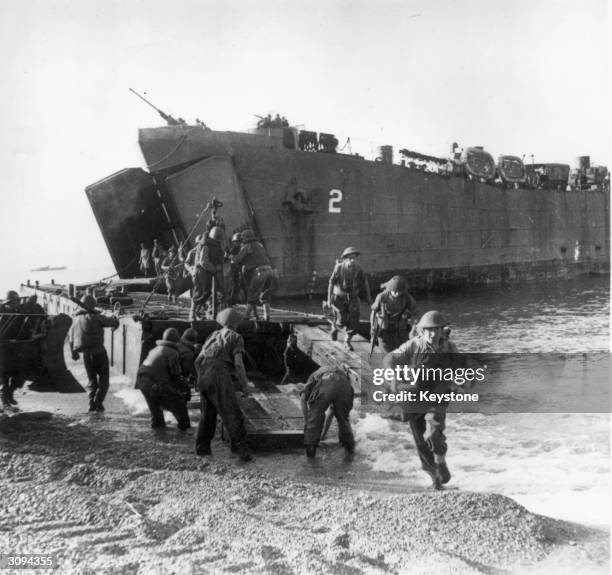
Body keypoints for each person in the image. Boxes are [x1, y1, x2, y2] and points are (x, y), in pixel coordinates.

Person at [383, 310, 460, 490]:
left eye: (437, 329)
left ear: (442, 330)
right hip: (416, 393)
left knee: (434, 432)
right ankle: (434, 477)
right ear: (422, 331)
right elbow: (391, 357)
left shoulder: (449, 347)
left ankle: (440, 461)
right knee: (419, 437)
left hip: (438, 395)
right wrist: (392, 374)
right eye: (429, 330)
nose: (433, 334)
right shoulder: (414, 345)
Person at [194, 308, 252, 461]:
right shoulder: (236, 337)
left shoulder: (213, 335)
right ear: (235, 323)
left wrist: (200, 378)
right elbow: (239, 365)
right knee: (231, 411)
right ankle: (243, 453)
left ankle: (202, 450)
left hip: (204, 373)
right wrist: (245, 386)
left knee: (208, 415)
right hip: (219, 373)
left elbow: (198, 360)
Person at [69, 295, 119, 412]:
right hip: (99, 353)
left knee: (92, 381)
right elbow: (111, 322)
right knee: (104, 379)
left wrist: (73, 353)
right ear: (93, 305)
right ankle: (98, 402)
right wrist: (115, 316)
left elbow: (71, 339)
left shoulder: (75, 319)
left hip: (86, 354)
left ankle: (91, 403)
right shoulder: (96, 317)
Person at [135, 328, 191, 430]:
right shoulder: (172, 353)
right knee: (179, 404)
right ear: (176, 340)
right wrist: (183, 389)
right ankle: (184, 432)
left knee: (157, 416)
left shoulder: (155, 349)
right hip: (156, 384)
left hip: (142, 382)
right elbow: (176, 376)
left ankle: (158, 435)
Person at [300, 365, 355, 459]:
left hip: (325, 383)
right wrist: (323, 435)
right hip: (344, 386)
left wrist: (306, 422)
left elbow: (302, 399)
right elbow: (332, 412)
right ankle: (349, 455)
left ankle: (311, 460)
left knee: (314, 419)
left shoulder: (313, 376)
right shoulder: (343, 376)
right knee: (343, 420)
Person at [327, 247, 372, 351]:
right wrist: (329, 299)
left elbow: (365, 282)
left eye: (354, 258)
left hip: (353, 297)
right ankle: (335, 328)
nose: (352, 260)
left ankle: (347, 341)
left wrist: (368, 296)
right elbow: (331, 283)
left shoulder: (358, 269)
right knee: (341, 320)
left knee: (354, 320)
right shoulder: (338, 268)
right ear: (345, 259)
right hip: (339, 297)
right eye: (350, 258)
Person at [232, 229, 276, 322]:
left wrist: (231, 258)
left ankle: (246, 316)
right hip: (270, 271)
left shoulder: (248, 246)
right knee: (265, 295)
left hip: (260, 272)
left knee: (252, 295)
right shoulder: (260, 245)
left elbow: (236, 260)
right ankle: (267, 316)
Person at [370, 275, 420, 353]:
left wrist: (413, 328)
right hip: (384, 329)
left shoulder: (407, 297)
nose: (396, 294)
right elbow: (373, 313)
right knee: (386, 353)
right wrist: (373, 332)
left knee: (401, 352)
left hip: (400, 329)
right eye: (394, 291)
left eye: (399, 291)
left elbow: (416, 313)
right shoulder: (381, 297)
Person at [178, 327, 200, 396]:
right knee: (185, 392)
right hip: (168, 381)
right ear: (194, 340)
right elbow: (184, 372)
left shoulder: (176, 343)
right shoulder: (188, 353)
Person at [225, 232, 245, 305]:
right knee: (235, 285)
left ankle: (233, 300)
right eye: (236, 242)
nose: (237, 243)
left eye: (238, 241)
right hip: (235, 270)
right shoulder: (234, 249)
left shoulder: (240, 248)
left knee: (237, 285)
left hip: (239, 269)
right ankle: (232, 300)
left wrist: (228, 255)